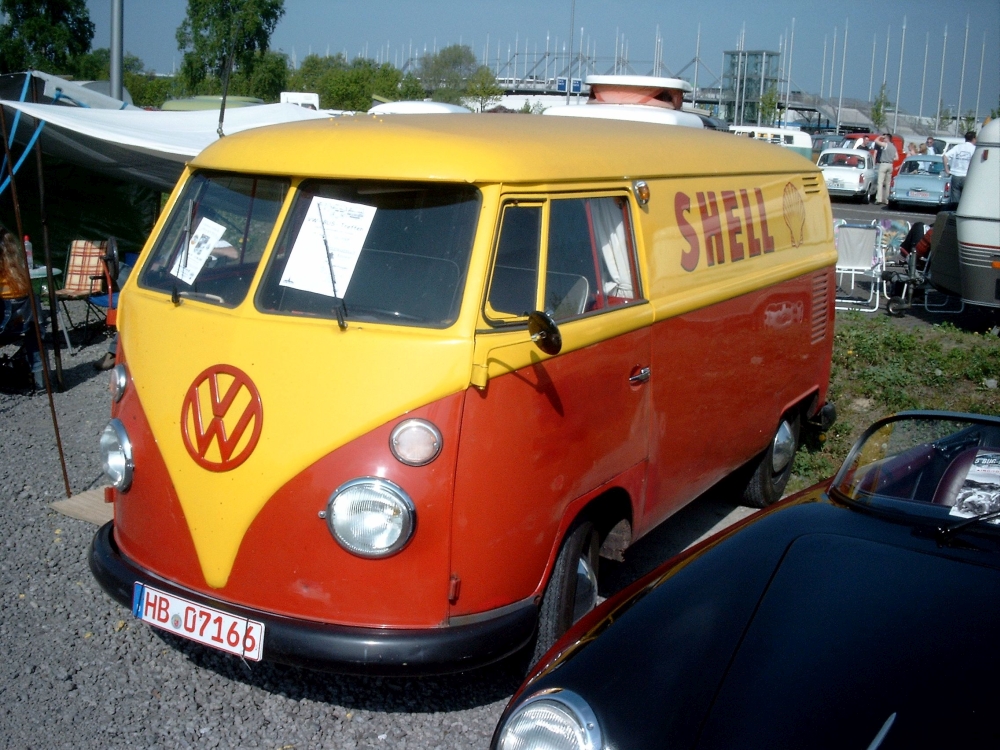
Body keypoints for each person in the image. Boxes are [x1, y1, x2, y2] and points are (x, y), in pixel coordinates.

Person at [0, 224, 44, 389]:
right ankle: (39, 376)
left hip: (2, 330)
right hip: (23, 327)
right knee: (34, 328)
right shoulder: (22, 276)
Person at [943, 131, 977, 204]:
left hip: (956, 174)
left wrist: (947, 169)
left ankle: (955, 209)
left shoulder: (958, 147)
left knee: (955, 197)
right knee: (966, 197)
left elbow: (945, 156)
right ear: (973, 139)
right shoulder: (974, 149)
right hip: (967, 175)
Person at [876, 133, 898, 205]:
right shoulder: (894, 147)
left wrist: (880, 136)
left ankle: (879, 199)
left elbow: (876, 141)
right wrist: (890, 159)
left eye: (884, 138)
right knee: (888, 184)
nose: (883, 139)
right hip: (890, 164)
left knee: (880, 182)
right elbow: (897, 158)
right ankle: (887, 199)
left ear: (887, 139)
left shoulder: (886, 144)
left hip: (884, 164)